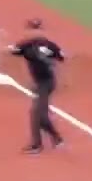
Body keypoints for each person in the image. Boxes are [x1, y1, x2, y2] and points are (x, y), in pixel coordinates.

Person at [10, 19, 66, 154]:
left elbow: (61, 58)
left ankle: (37, 145)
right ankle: (56, 138)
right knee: (39, 114)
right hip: (38, 83)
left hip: (47, 83)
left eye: (37, 29)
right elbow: (14, 51)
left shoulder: (50, 46)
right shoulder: (25, 45)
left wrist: (60, 75)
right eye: (32, 29)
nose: (35, 32)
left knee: (37, 113)